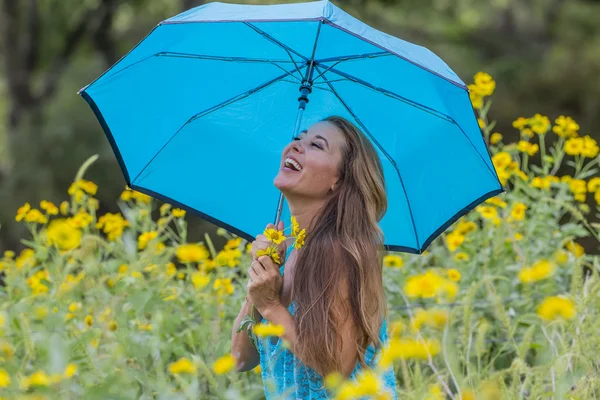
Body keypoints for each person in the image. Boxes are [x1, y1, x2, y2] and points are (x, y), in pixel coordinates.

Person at [231, 115, 398, 399]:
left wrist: (272, 306)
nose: (295, 146)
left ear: (339, 180)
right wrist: (260, 285)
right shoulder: (293, 253)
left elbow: (337, 368)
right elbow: (240, 358)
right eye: (299, 138)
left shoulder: (342, 252)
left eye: (316, 145)